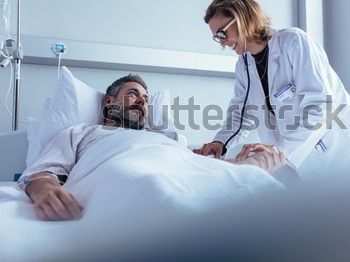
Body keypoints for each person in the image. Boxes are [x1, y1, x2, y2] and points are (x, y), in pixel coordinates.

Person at [18, 74, 285, 221]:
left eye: (145, 99)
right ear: (109, 102)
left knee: (250, 189)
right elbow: (42, 171)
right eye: (133, 94)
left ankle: (245, 173)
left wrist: (243, 160)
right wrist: (45, 190)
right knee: (150, 185)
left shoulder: (165, 138)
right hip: (121, 168)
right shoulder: (81, 132)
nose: (142, 102)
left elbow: (193, 167)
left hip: (175, 165)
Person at [193, 0, 350, 178]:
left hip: (346, 154)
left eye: (222, 33)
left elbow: (321, 106)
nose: (222, 43)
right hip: (307, 163)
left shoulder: (294, 42)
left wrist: (277, 152)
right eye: (216, 37)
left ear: (242, 17)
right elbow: (241, 115)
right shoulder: (244, 65)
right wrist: (220, 142)